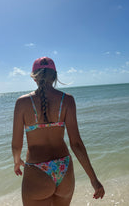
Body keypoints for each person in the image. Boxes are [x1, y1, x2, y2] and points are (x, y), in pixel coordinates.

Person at [12, 56, 105, 206]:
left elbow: (17, 145)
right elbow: (76, 144)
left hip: (37, 170)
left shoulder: (22, 103)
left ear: (34, 78)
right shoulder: (67, 100)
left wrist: (17, 161)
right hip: (64, 168)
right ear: (55, 76)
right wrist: (94, 179)